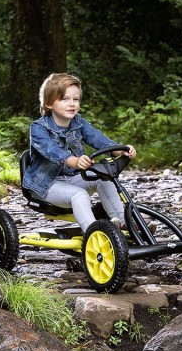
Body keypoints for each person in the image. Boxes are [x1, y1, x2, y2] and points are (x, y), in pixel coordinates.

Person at [21, 72, 137, 233]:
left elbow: (97, 138)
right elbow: (50, 150)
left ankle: (126, 224)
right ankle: (93, 234)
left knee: (105, 179)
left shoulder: (78, 122)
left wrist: (119, 149)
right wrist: (73, 161)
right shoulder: (38, 128)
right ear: (48, 103)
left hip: (72, 178)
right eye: (65, 99)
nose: (72, 104)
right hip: (45, 185)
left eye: (75, 99)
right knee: (79, 194)